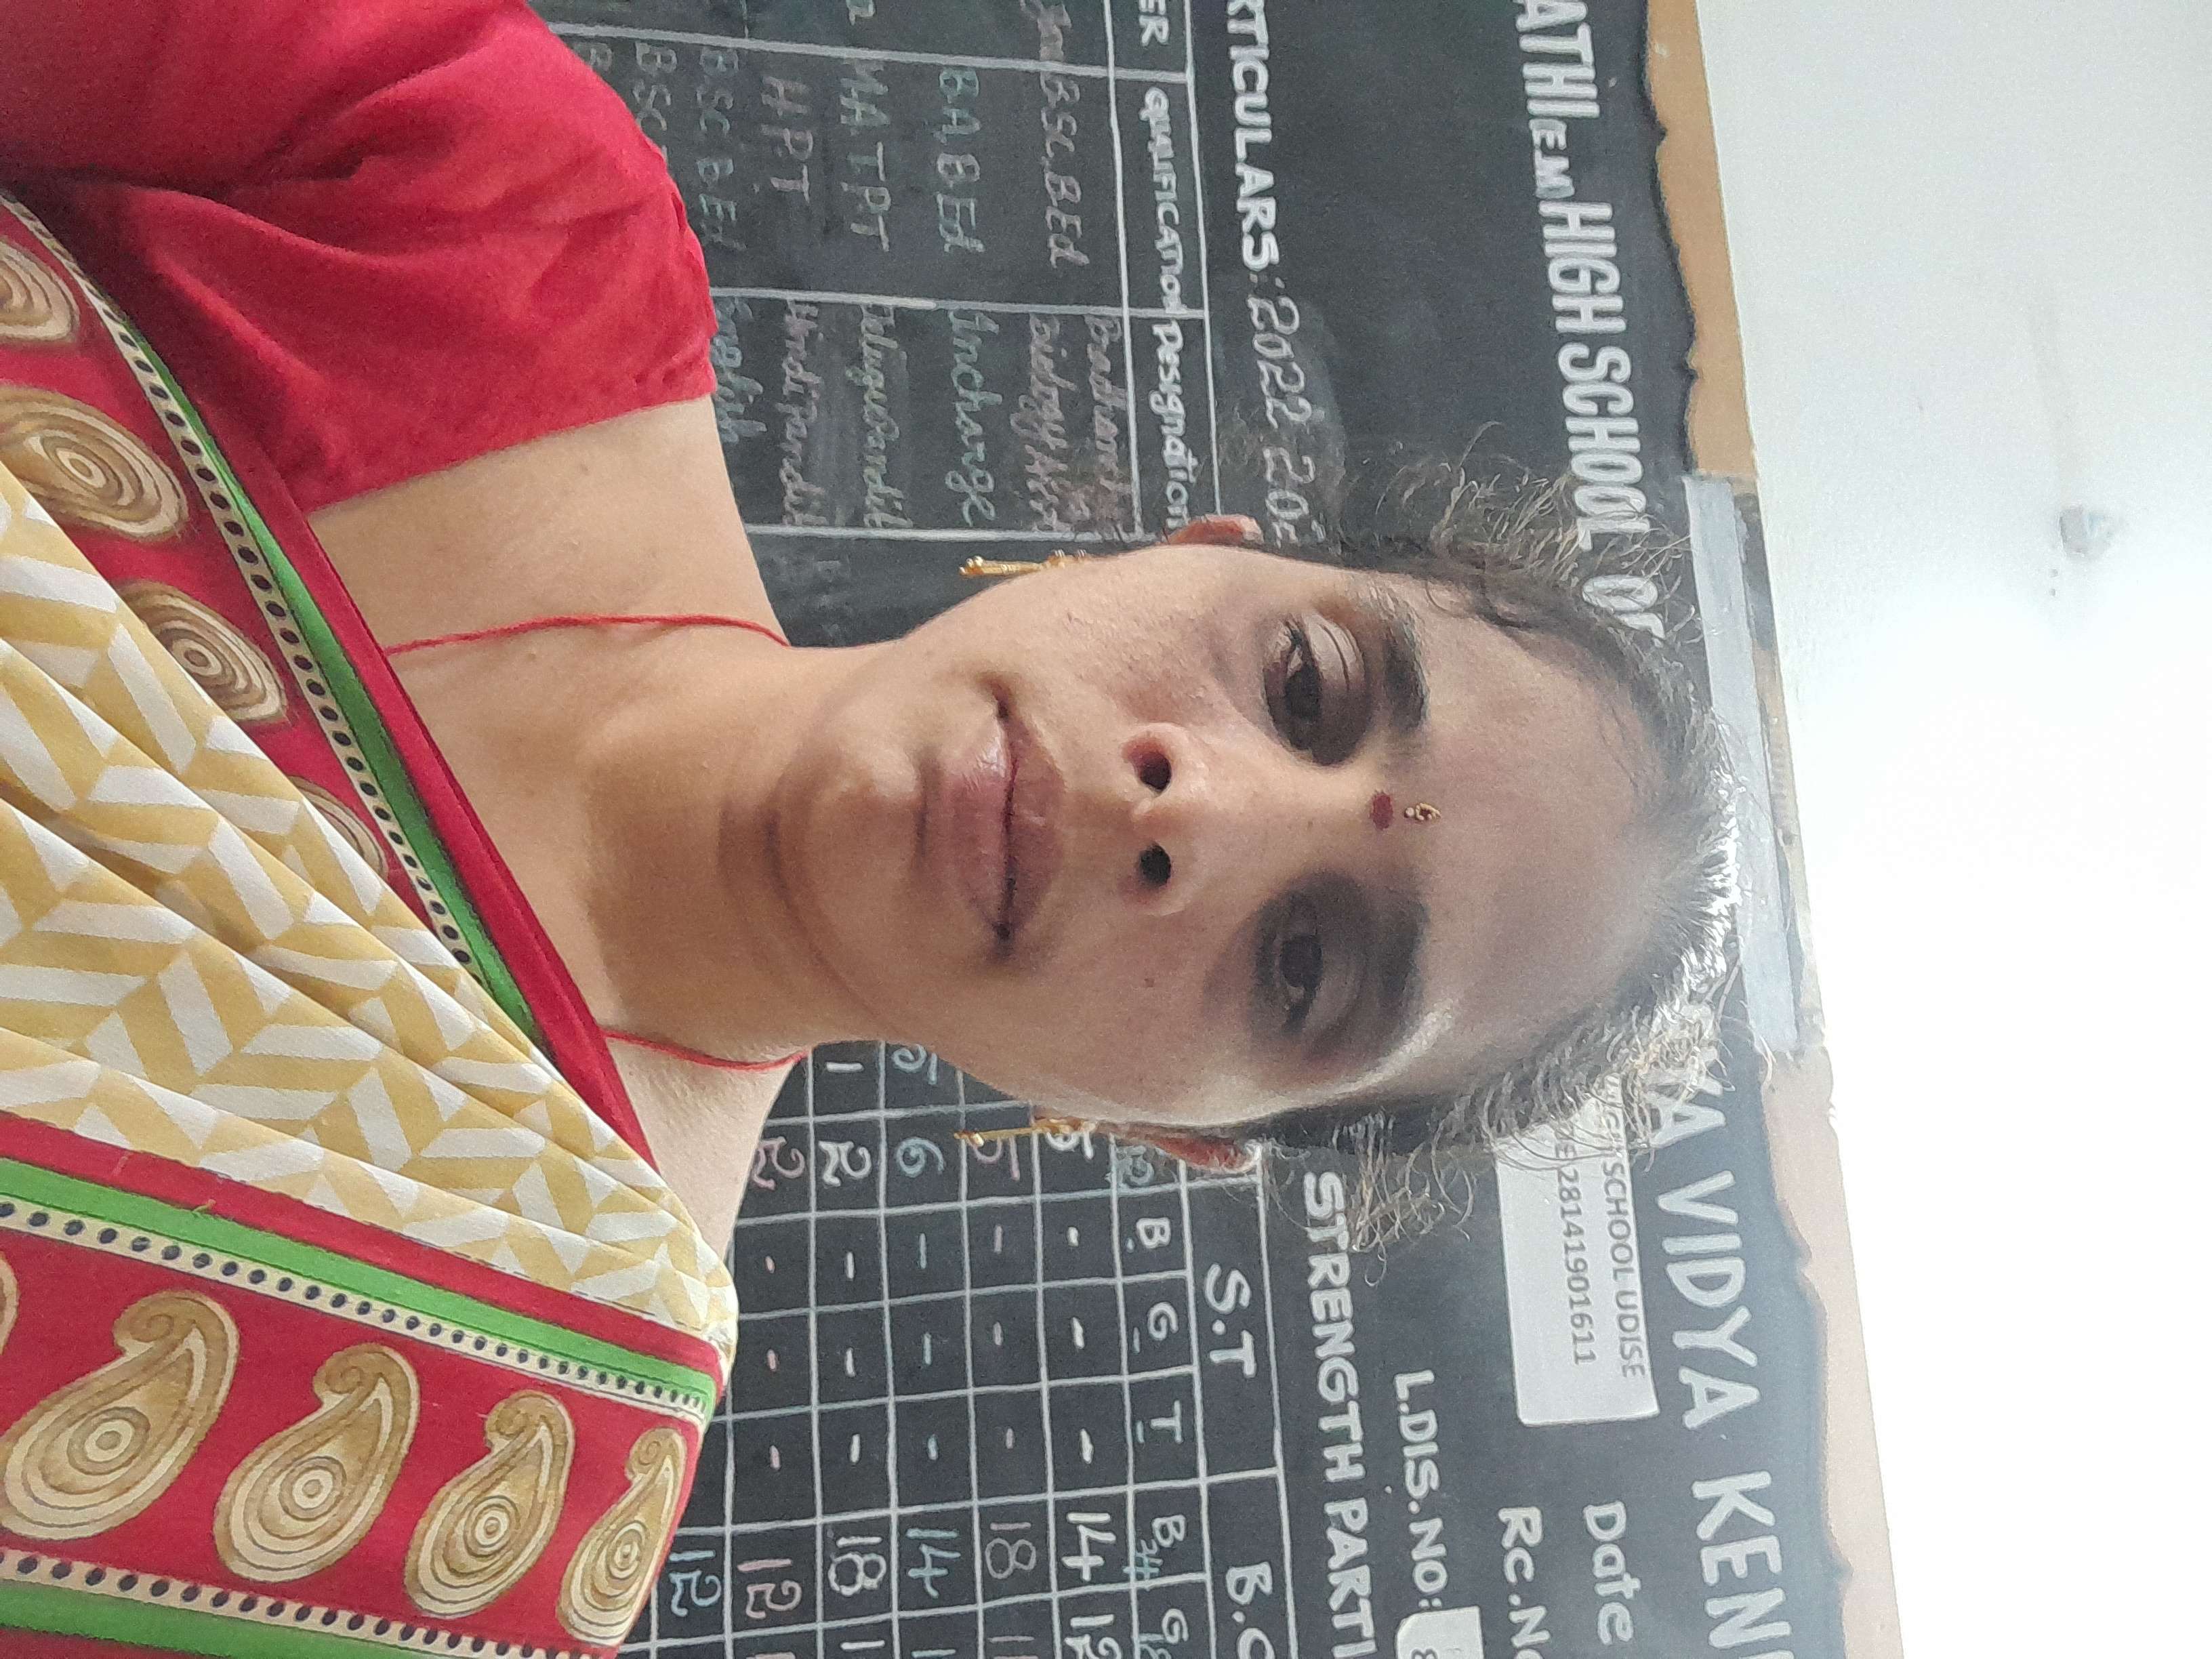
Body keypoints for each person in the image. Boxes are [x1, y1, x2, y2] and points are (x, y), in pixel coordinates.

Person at [0, 3, 1735, 1655]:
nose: (1194, 812)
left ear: (1178, 1131)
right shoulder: (484, 201)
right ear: (1188, 546)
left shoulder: (483, 1495)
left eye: (1305, 965)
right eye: (1304, 683)